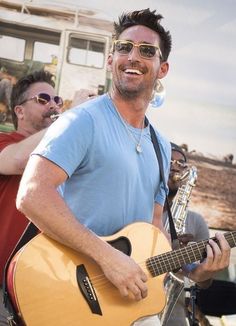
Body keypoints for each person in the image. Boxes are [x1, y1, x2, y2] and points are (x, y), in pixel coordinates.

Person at [16, 9, 231, 326]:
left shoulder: (160, 146)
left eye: (147, 51)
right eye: (124, 47)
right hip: (68, 293)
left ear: (163, 68)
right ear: (110, 58)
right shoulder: (83, 120)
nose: (133, 56)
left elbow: (154, 239)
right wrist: (107, 257)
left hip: (129, 305)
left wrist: (198, 273)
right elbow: (32, 195)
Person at [0, 70, 95, 324]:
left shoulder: (62, 154)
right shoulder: (4, 141)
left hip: (39, 287)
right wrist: (71, 116)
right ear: (19, 111)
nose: (53, 105)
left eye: (57, 100)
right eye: (43, 99)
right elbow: (20, 160)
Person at [162, 143, 211, 326]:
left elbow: (205, 284)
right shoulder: (138, 209)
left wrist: (203, 272)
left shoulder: (196, 222)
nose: (175, 166)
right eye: (169, 161)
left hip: (173, 313)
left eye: (181, 163)